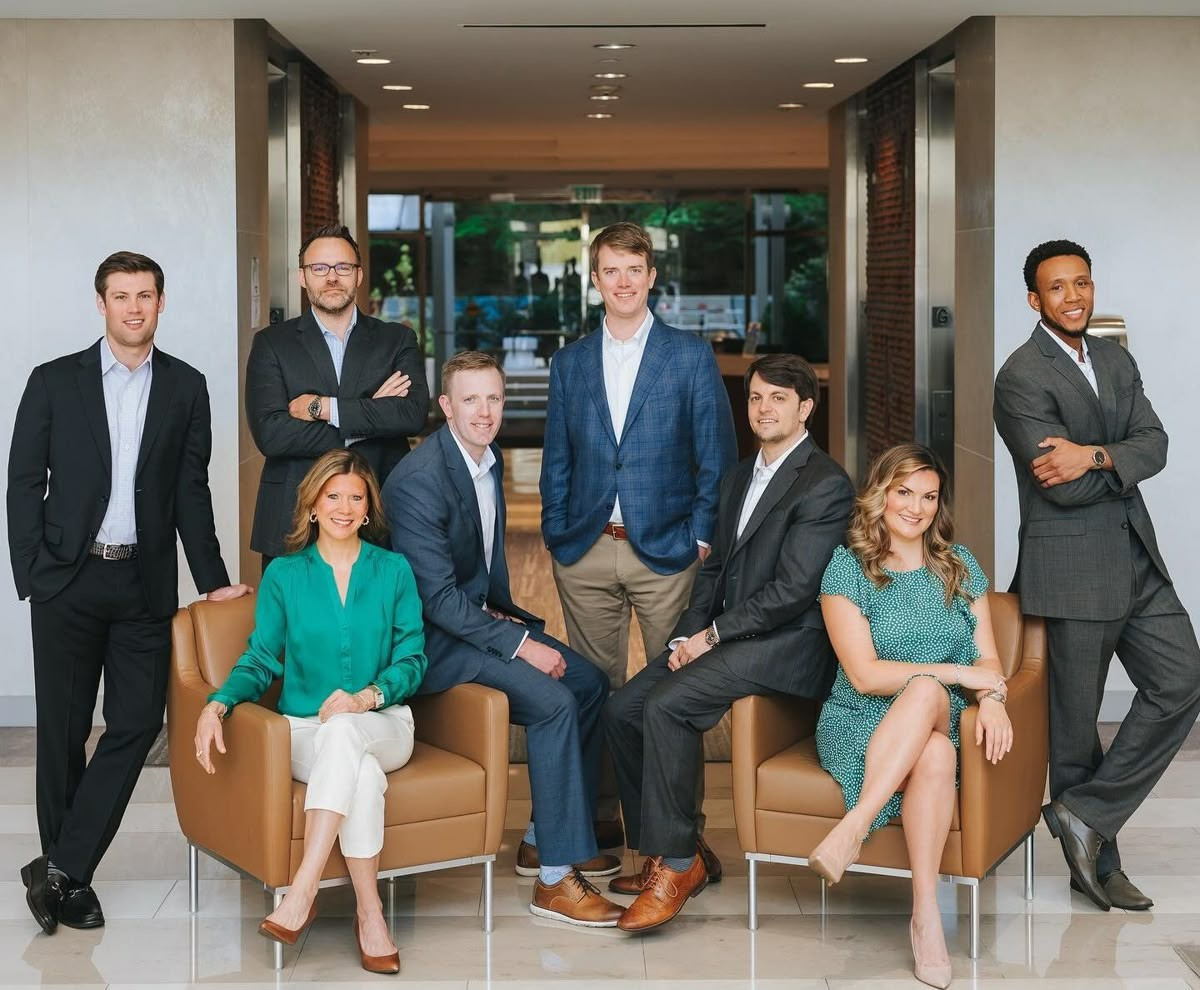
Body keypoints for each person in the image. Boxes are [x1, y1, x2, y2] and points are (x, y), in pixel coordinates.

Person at [7, 251, 252, 936]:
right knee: (62, 732)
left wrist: (213, 581)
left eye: (145, 295)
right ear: (101, 303)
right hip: (68, 579)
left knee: (138, 723)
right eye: (121, 296)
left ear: (161, 303)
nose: (134, 307)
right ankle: (72, 879)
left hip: (144, 583)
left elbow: (191, 492)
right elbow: (23, 482)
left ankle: (61, 867)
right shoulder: (54, 381)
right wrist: (34, 572)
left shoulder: (186, 386)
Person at [605, 354, 854, 932]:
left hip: (789, 642)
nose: (764, 409)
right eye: (756, 397)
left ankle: (677, 865)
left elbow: (793, 591)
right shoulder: (740, 476)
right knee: (624, 710)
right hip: (731, 633)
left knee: (669, 705)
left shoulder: (825, 484)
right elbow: (714, 571)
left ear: (806, 408)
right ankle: (672, 845)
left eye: (779, 398)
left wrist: (713, 635)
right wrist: (686, 634)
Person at [993, 239, 1200, 912]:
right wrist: (1113, 462)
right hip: (1071, 570)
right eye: (1057, 287)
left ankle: (1084, 814)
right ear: (1035, 299)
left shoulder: (1116, 359)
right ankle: (1100, 867)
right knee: (1075, 732)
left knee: (1181, 681)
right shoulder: (1021, 376)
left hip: (1137, 558)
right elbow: (1060, 488)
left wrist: (1095, 455)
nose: (1073, 297)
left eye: (1081, 283)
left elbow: (1156, 444)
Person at [385, 351, 626, 927]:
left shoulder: (486, 461)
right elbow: (436, 601)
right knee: (554, 701)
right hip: (433, 642)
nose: (484, 411)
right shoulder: (418, 481)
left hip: (474, 622)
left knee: (590, 683)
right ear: (445, 407)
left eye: (493, 398)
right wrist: (518, 644)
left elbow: (474, 576)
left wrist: (503, 623)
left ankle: (545, 840)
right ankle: (555, 882)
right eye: (470, 399)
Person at [540, 221, 737, 856]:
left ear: (652, 277)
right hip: (586, 548)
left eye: (634, 270)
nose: (622, 282)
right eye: (610, 271)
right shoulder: (570, 362)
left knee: (673, 693)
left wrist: (702, 537)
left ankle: (677, 838)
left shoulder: (689, 356)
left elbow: (715, 456)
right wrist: (556, 529)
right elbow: (557, 457)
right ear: (595, 281)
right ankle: (602, 818)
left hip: (668, 553)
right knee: (593, 688)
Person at [195, 449, 426, 974]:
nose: (344, 507)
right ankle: (370, 914)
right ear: (313, 505)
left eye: (356, 497)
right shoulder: (284, 575)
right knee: (361, 777)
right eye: (333, 496)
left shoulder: (393, 570)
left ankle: (302, 889)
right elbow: (260, 659)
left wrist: (366, 697)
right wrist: (218, 703)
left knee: (346, 729)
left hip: (385, 721)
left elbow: (413, 659)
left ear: (368, 509)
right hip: (303, 731)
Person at [811, 444, 1012, 989]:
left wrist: (993, 699)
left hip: (942, 711)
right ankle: (926, 917)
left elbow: (988, 660)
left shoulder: (959, 565)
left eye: (929, 496)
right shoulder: (848, 568)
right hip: (859, 720)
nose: (916, 508)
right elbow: (864, 676)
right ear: (880, 493)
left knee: (926, 693)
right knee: (937, 751)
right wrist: (956, 673)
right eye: (904, 492)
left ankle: (853, 828)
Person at [246, 222, 429, 572]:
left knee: (376, 609)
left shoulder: (396, 340)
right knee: (293, 610)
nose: (332, 277)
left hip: (378, 515)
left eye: (343, 267)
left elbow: (412, 414)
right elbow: (272, 435)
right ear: (302, 277)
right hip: (292, 518)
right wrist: (371, 417)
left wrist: (324, 408)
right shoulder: (272, 343)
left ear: (358, 275)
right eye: (319, 268)